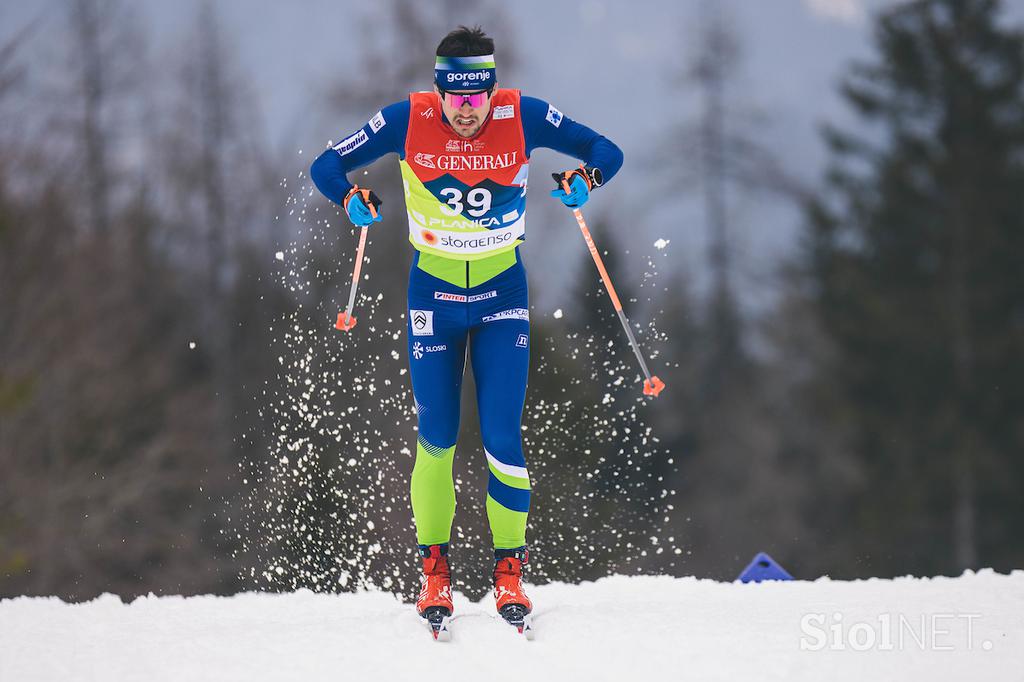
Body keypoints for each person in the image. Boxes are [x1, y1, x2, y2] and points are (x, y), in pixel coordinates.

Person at [310, 25, 623, 629]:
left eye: (478, 98)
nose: (466, 112)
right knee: (438, 436)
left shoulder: (524, 115)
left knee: (503, 437)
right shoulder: (405, 119)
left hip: (502, 297)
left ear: (492, 90)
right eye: (455, 98)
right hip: (434, 297)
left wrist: (588, 181)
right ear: (439, 90)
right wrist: (349, 198)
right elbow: (327, 165)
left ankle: (510, 574)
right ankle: (435, 572)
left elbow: (606, 150)